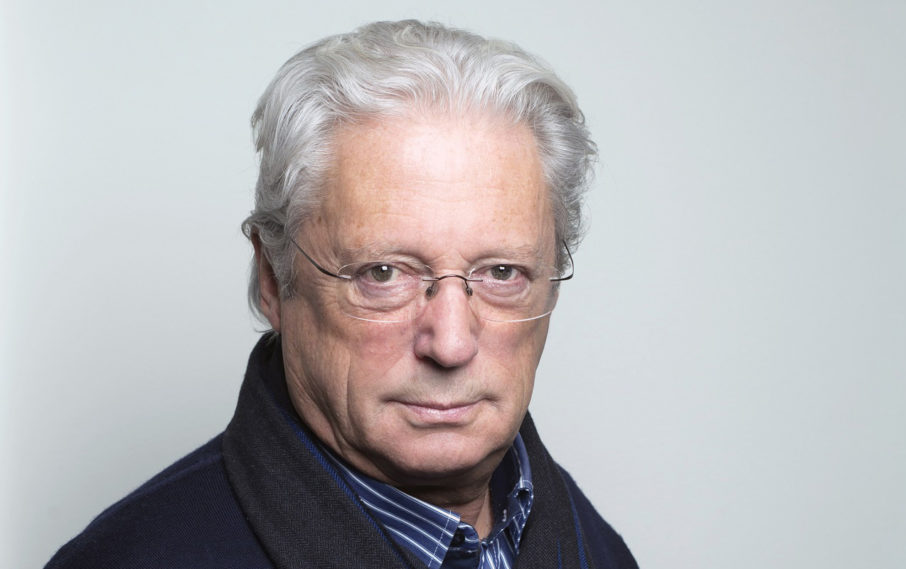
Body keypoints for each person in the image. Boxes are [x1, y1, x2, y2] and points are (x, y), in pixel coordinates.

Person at [46, 20, 637, 569]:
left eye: (502, 272)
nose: (451, 344)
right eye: (383, 273)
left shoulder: (600, 551)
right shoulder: (132, 558)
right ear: (273, 277)